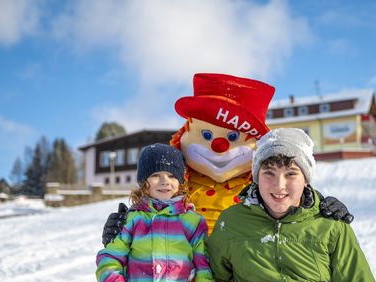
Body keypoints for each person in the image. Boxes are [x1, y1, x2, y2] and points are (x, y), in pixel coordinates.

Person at [102, 73, 353, 246]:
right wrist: (121, 231)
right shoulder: (174, 183)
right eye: (207, 135)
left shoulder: (262, 185)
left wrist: (317, 206)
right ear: (184, 134)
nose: (219, 146)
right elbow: (146, 224)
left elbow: (288, 201)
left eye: (233, 137)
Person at [207, 128, 376, 282]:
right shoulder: (231, 222)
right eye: (269, 172)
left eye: (291, 174)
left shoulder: (331, 225)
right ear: (256, 176)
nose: (279, 185)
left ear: (306, 179)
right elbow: (209, 280)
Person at [96, 144, 217, 282]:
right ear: (143, 182)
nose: (165, 181)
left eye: (172, 175)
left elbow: (203, 268)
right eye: (155, 175)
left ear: (181, 182)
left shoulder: (192, 222)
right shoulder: (133, 219)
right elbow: (111, 258)